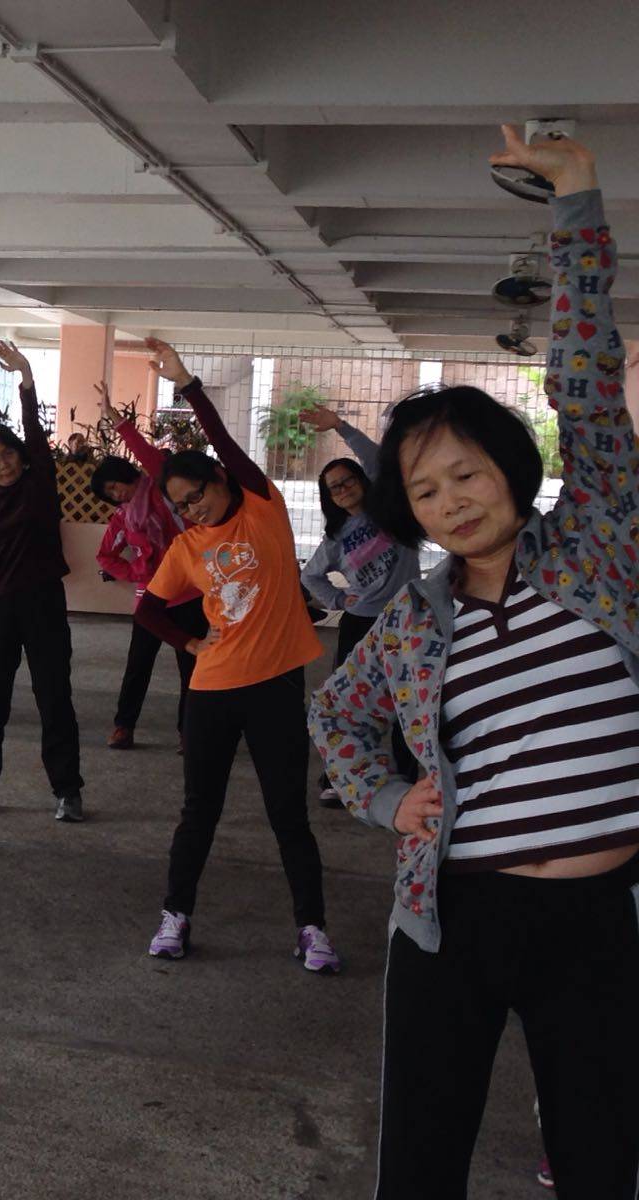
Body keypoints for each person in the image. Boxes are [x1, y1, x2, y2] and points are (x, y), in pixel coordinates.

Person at [310, 128, 639, 1196]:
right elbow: (335, 715)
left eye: (466, 472)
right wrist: (385, 798)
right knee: (421, 1156)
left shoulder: (595, 548)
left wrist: (577, 199)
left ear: (508, 466)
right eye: (426, 491)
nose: (452, 500)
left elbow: (586, 383)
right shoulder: (413, 621)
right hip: (454, 911)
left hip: (603, 913)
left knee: (602, 1158)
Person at [134, 337, 338, 973]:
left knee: (288, 814)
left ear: (220, 482)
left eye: (197, 496)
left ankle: (312, 928)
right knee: (199, 811)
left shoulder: (261, 509)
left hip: (275, 686)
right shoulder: (187, 548)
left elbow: (224, 443)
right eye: (181, 506)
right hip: (212, 692)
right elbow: (147, 610)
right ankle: (175, 916)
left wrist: (188, 384)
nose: (192, 510)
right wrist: (192, 643)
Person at [0, 341, 84, 823]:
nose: (2, 464)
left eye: (7, 455)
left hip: (44, 601)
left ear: (20, 456)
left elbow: (33, 430)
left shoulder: (39, 481)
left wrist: (26, 376)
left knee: (54, 697)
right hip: (1, 605)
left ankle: (67, 790)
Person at [297, 405, 421, 803]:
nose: (343, 489)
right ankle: (341, 777)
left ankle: (405, 781)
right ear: (329, 498)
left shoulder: (390, 508)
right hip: (360, 624)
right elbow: (310, 576)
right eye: (334, 487)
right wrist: (338, 599)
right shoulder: (335, 539)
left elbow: (379, 462)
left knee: (408, 700)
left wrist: (340, 426)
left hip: (407, 618)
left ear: (362, 480)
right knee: (351, 703)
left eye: (348, 480)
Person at [91, 394, 207, 752]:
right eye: (110, 494)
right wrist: (137, 571)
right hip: (151, 599)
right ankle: (123, 727)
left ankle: (190, 732)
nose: (117, 494)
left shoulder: (163, 490)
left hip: (189, 592)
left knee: (192, 666)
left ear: (126, 475)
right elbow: (105, 556)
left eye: (116, 485)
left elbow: (148, 456)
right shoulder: (124, 517)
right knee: (138, 665)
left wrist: (119, 422)